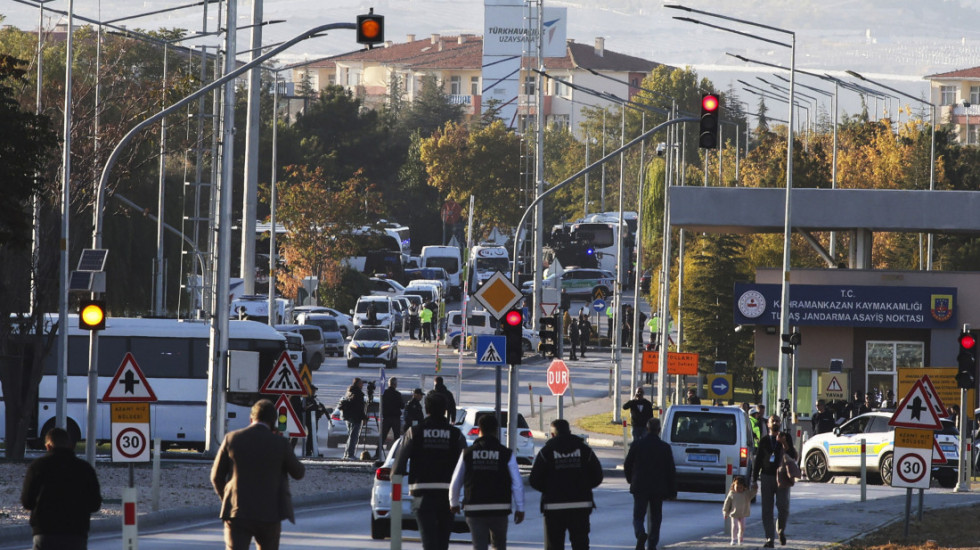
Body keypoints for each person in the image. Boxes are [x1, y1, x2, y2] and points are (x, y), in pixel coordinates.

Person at [211, 399, 306, 550]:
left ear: (251, 418)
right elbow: (298, 473)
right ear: (274, 421)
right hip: (270, 514)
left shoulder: (232, 438)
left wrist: (228, 500)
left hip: (238, 512)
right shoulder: (280, 443)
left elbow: (216, 477)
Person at [394, 392, 467, 550]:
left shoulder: (414, 432)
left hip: (422, 493)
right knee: (443, 541)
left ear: (426, 409)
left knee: (428, 541)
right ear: (445, 410)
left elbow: (399, 465)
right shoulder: (456, 435)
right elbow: (467, 463)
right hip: (448, 494)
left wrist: (397, 481)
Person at [449, 414, 525, 550]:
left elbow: (456, 480)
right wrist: (520, 508)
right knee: (499, 545)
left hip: (474, 508)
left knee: (479, 546)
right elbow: (517, 483)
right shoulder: (506, 453)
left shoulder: (467, 453)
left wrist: (453, 502)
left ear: (479, 430)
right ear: (496, 431)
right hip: (500, 508)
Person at [21, 427, 102, 550]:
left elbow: (27, 502)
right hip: (76, 534)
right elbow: (95, 504)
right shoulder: (84, 468)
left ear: (48, 446)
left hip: (45, 533)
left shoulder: (37, 467)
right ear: (70, 445)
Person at [529, 419, 604, 550]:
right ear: (569, 432)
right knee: (581, 545)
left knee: (554, 545)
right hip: (580, 505)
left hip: (553, 507)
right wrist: (584, 487)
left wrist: (549, 489)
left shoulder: (546, 452)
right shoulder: (584, 450)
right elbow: (598, 476)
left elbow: (534, 479)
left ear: (552, 434)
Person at [624, 417, 676, 550]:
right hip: (658, 487)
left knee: (638, 515)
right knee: (656, 517)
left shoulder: (637, 445)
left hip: (640, 485)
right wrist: (672, 491)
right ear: (659, 430)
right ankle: (652, 543)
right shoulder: (665, 447)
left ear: (647, 429)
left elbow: (627, 464)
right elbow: (670, 470)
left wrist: (631, 479)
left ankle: (640, 533)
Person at [751, 415, 797, 548]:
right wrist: (754, 479)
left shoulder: (785, 437)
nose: (775, 423)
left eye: (777, 421)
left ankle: (781, 530)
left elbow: (793, 455)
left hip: (782, 477)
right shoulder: (764, 440)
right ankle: (769, 539)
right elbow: (758, 460)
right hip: (766, 476)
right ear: (768, 424)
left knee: (783, 507)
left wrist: (784, 443)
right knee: (767, 509)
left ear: (780, 423)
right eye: (773, 421)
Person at [722, 476, 754, 546]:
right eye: (737, 487)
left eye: (741, 487)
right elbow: (727, 503)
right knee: (734, 526)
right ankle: (733, 539)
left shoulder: (746, 494)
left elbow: (752, 494)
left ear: (744, 487)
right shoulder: (732, 493)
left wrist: (754, 488)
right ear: (734, 486)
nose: (739, 489)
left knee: (742, 527)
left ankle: (740, 538)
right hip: (734, 514)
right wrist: (725, 512)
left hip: (742, 514)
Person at [341, 378, 368, 460]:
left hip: (348, 417)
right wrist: (364, 418)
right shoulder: (358, 394)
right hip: (355, 417)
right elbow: (359, 408)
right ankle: (350, 455)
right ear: (358, 384)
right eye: (361, 384)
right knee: (353, 437)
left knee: (350, 436)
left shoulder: (350, 391)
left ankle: (347, 454)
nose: (362, 385)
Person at [379, 377, 404, 453]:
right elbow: (402, 406)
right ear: (395, 384)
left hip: (386, 417)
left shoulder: (384, 394)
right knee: (396, 437)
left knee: (383, 436)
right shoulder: (397, 394)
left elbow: (381, 405)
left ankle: (378, 452)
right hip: (395, 418)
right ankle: (396, 453)